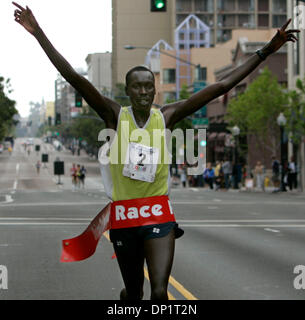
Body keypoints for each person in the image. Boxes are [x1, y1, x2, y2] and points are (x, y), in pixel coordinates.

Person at [12, 2, 299, 300]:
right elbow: (75, 78)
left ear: (154, 90)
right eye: (137, 87)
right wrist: (38, 33)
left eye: (149, 87)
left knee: (160, 293)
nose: (144, 93)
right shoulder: (114, 115)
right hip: (124, 216)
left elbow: (222, 84)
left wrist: (267, 49)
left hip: (158, 214)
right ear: (127, 91)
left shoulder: (166, 117)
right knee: (135, 293)